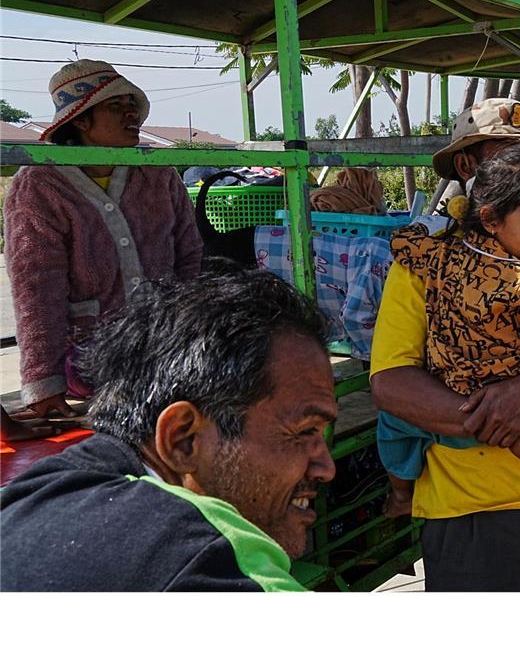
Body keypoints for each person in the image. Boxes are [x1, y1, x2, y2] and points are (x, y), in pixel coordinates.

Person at [370, 98, 520, 591]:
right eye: (507, 154)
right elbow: (392, 383)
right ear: (468, 168)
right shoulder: (428, 261)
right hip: (465, 509)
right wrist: (510, 429)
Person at [0, 265, 337, 591]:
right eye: (305, 432)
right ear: (183, 439)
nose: (327, 469)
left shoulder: (32, 496)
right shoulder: (207, 557)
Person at [2, 59, 203, 425]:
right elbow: (37, 289)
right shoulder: (40, 185)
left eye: (132, 105)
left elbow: (189, 257)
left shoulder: (157, 173)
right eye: (116, 106)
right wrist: (43, 382)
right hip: (90, 359)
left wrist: (192, 335)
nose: (132, 114)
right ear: (79, 120)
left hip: (167, 345)